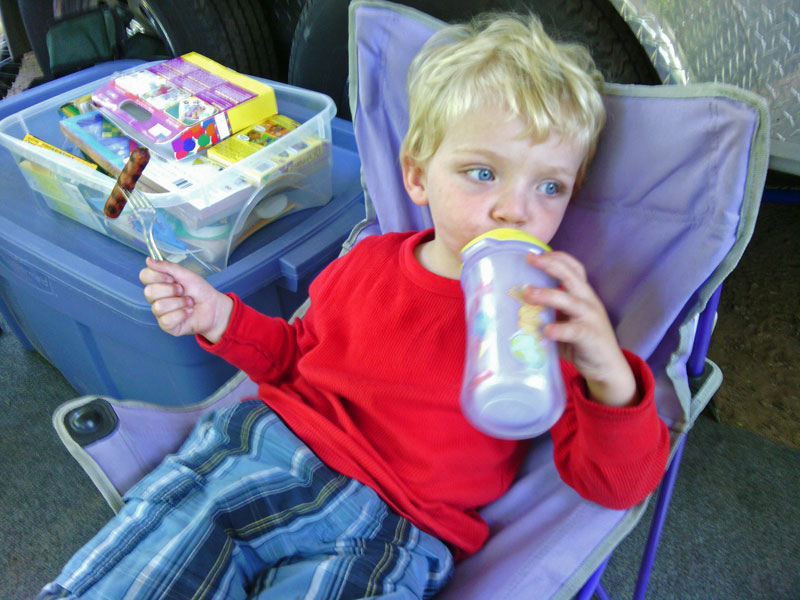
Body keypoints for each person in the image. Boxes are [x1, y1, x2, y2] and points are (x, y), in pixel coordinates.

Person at [39, 12, 669, 600]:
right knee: (149, 560)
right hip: (266, 449)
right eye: (483, 173)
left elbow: (615, 484)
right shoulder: (369, 262)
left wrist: (607, 371)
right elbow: (292, 357)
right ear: (418, 176)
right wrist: (220, 317)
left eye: (550, 186)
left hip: (394, 526)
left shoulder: (546, 318)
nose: (515, 208)